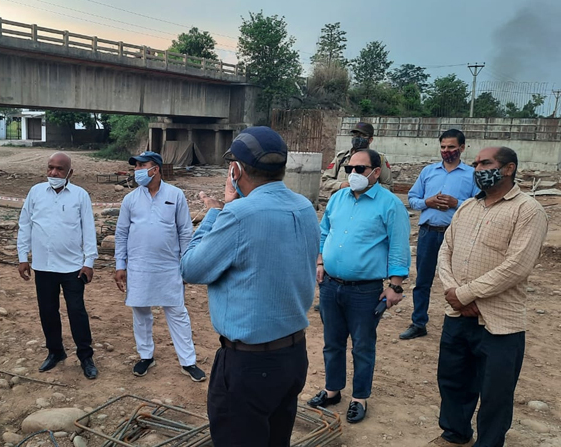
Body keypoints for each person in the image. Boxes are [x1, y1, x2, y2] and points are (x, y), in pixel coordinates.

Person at [180, 127, 320, 446]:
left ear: (236, 170)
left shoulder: (239, 215)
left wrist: (217, 210)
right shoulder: (304, 207)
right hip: (293, 356)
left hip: (249, 365)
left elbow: (191, 268)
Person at [427, 147, 548, 447]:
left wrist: (466, 294)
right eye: (476, 164)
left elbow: (516, 266)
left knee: (496, 393)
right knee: (453, 380)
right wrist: (454, 292)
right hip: (457, 316)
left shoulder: (528, 210)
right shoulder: (467, 207)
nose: (478, 168)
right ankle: (455, 433)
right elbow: (446, 252)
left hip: (500, 324)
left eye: (485, 163)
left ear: (508, 169)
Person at [307, 148, 411, 424]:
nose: (353, 173)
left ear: (376, 172)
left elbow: (399, 246)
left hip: (365, 290)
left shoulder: (390, 204)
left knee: (363, 345)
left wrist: (395, 286)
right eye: (349, 168)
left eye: (360, 169)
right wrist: (320, 261)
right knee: (332, 342)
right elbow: (325, 231)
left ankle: (359, 397)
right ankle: (332, 390)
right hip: (331, 285)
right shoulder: (338, 198)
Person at [114, 151, 206, 382]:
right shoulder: (131, 199)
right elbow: (122, 233)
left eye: (141, 166)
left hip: (169, 266)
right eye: (135, 167)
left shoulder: (175, 195)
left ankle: (188, 361)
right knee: (141, 311)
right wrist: (120, 264)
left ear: (155, 168)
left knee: (177, 312)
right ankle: (146, 356)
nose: (137, 171)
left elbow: (185, 231)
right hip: (138, 266)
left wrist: (187, 263)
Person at [17, 152, 99, 380]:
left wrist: (89, 262)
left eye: (59, 169)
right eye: (50, 168)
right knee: (47, 311)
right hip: (43, 266)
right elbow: (25, 225)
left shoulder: (80, 196)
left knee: (76, 312)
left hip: (73, 267)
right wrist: (23, 257)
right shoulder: (35, 192)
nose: (53, 173)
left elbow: (88, 230)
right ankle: (55, 352)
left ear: (70, 173)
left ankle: (85, 356)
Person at [400, 129, 478, 340]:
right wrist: (428, 202)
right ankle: (418, 323)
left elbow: (479, 205)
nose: (446, 151)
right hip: (428, 234)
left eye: (451, 147)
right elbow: (413, 199)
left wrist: (456, 204)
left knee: (456, 282)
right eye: (443, 147)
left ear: (462, 148)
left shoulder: (471, 175)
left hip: (456, 236)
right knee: (423, 281)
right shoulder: (428, 172)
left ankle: (457, 325)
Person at [321, 122, 393, 194]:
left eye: (363, 135)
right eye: (356, 135)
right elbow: (325, 181)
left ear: (370, 140)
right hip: (342, 201)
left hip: (367, 202)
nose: (358, 138)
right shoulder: (342, 157)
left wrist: (367, 187)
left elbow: (388, 186)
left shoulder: (379, 159)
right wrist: (340, 185)